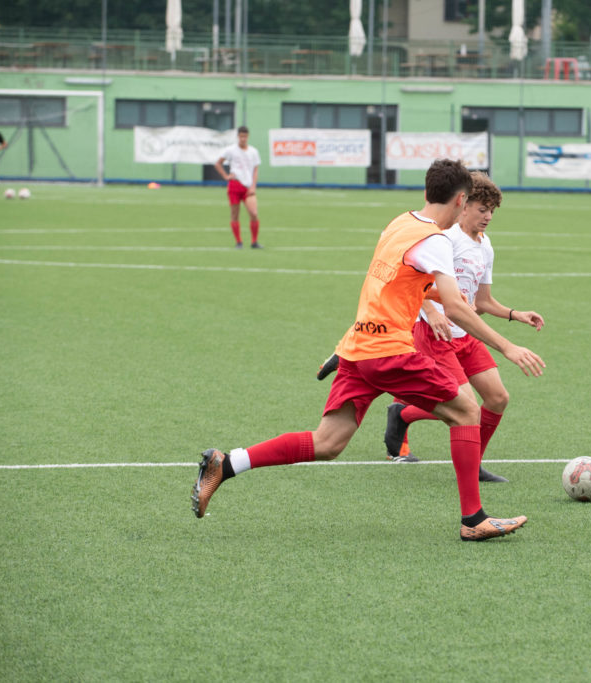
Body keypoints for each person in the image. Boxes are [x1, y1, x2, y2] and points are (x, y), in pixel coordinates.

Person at [192, 159, 546, 541]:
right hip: (388, 350)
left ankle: (227, 464)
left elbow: (393, 282)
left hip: (359, 348)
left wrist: (427, 293)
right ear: (461, 200)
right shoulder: (437, 240)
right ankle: (473, 519)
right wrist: (508, 346)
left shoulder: (400, 223)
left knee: (328, 442)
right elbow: (458, 308)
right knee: (467, 410)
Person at [384, 173, 544, 486]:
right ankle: (404, 415)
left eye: (492, 211)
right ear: (464, 204)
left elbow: (481, 301)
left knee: (497, 398)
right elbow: (415, 283)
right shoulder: (445, 238)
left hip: (466, 335)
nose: (487, 216)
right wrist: (431, 311)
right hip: (435, 335)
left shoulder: (485, 247)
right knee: (466, 407)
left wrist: (515, 314)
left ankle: (469, 457)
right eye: (482, 208)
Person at [215, 126, 262, 248]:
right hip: (235, 185)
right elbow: (218, 163)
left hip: (248, 187)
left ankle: (254, 242)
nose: (243, 139)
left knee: (254, 213)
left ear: (248, 137)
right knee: (235, 214)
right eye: (241, 136)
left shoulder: (253, 152)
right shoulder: (231, 150)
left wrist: (253, 186)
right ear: (238, 137)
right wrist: (226, 176)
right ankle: (239, 241)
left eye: (245, 136)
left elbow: (255, 170)